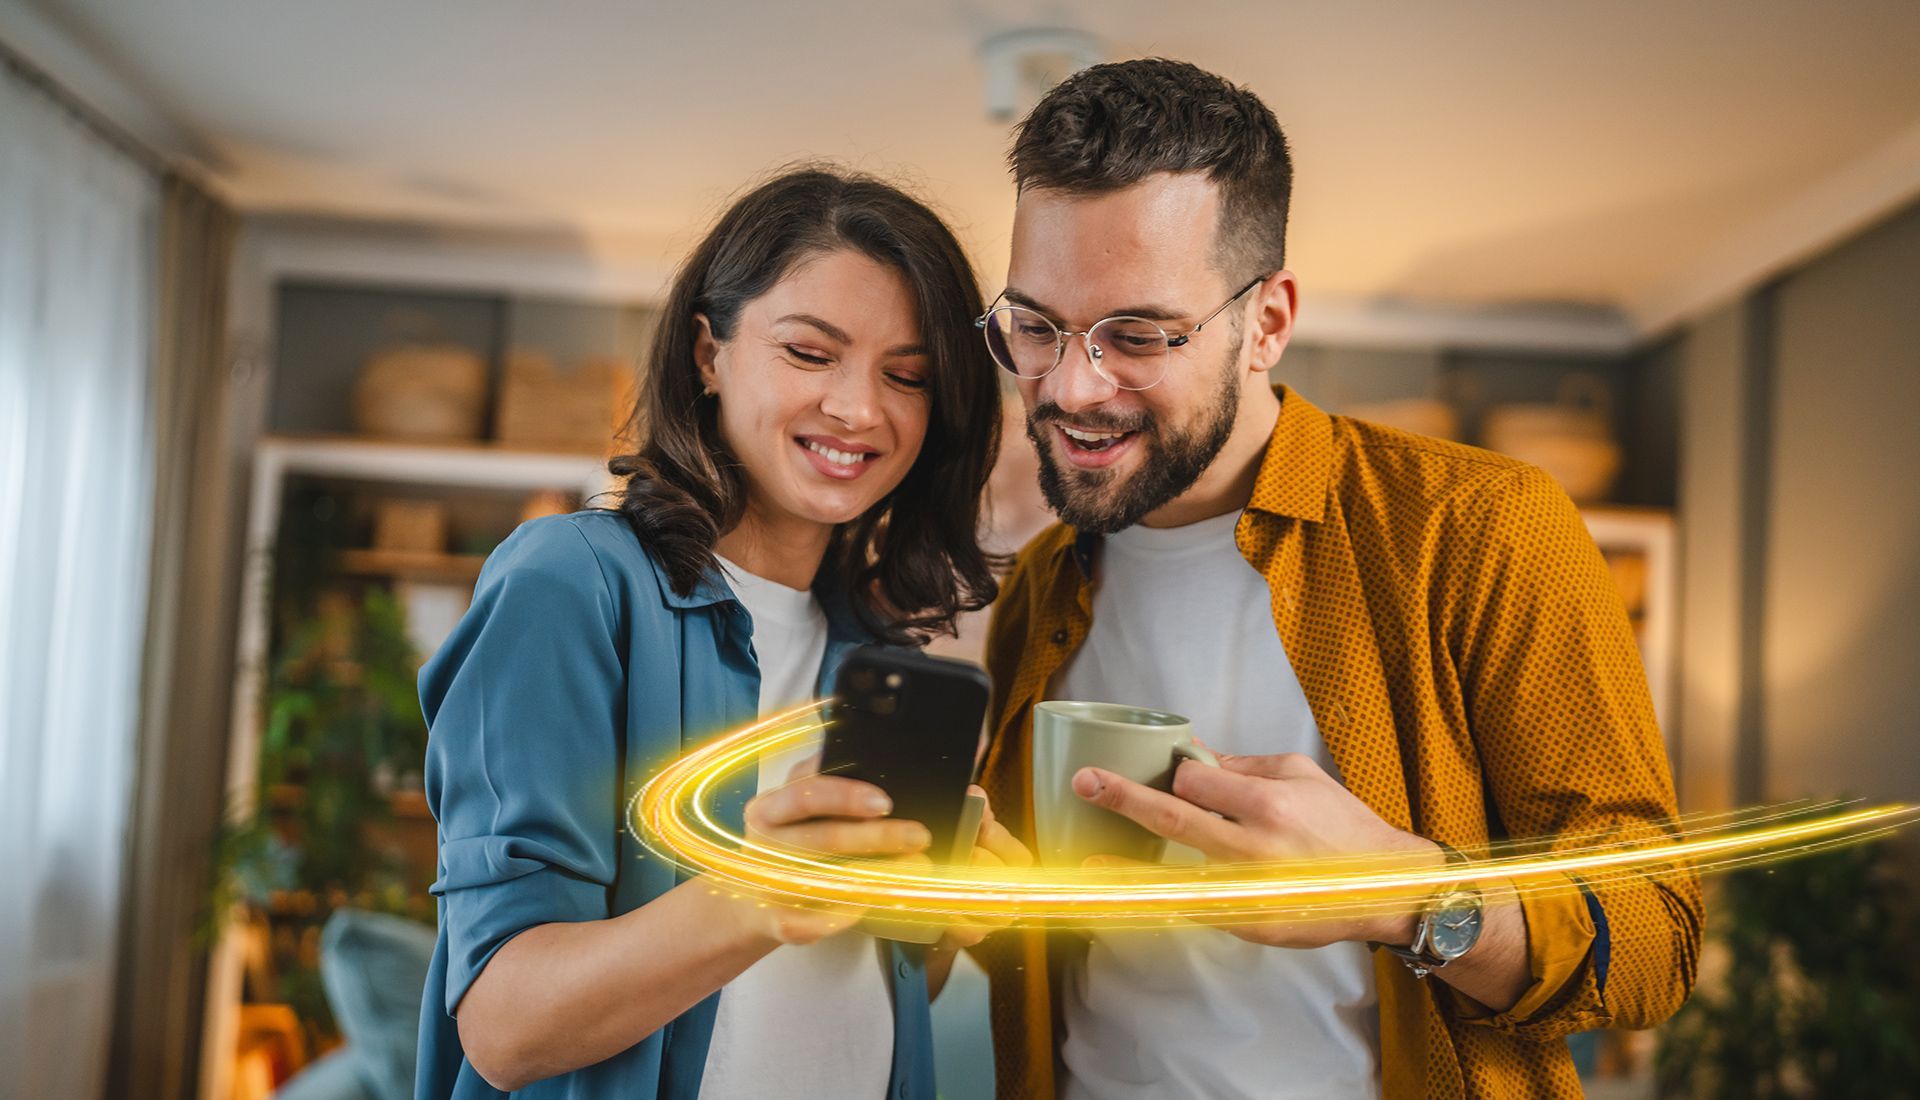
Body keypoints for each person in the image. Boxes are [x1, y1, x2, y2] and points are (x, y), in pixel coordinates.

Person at [972, 59, 1703, 1098]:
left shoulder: (1480, 527)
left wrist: (1404, 896)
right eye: (1037, 325)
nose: (1072, 384)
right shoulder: (1042, 584)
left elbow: (1654, 937)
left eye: (1138, 334)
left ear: (1266, 322)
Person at [415, 166, 1030, 1100]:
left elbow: (845, 994)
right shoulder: (572, 584)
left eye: (907, 376)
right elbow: (504, 1028)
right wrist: (760, 895)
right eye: (811, 353)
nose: (860, 409)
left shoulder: (880, 653)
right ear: (709, 353)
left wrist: (941, 915)